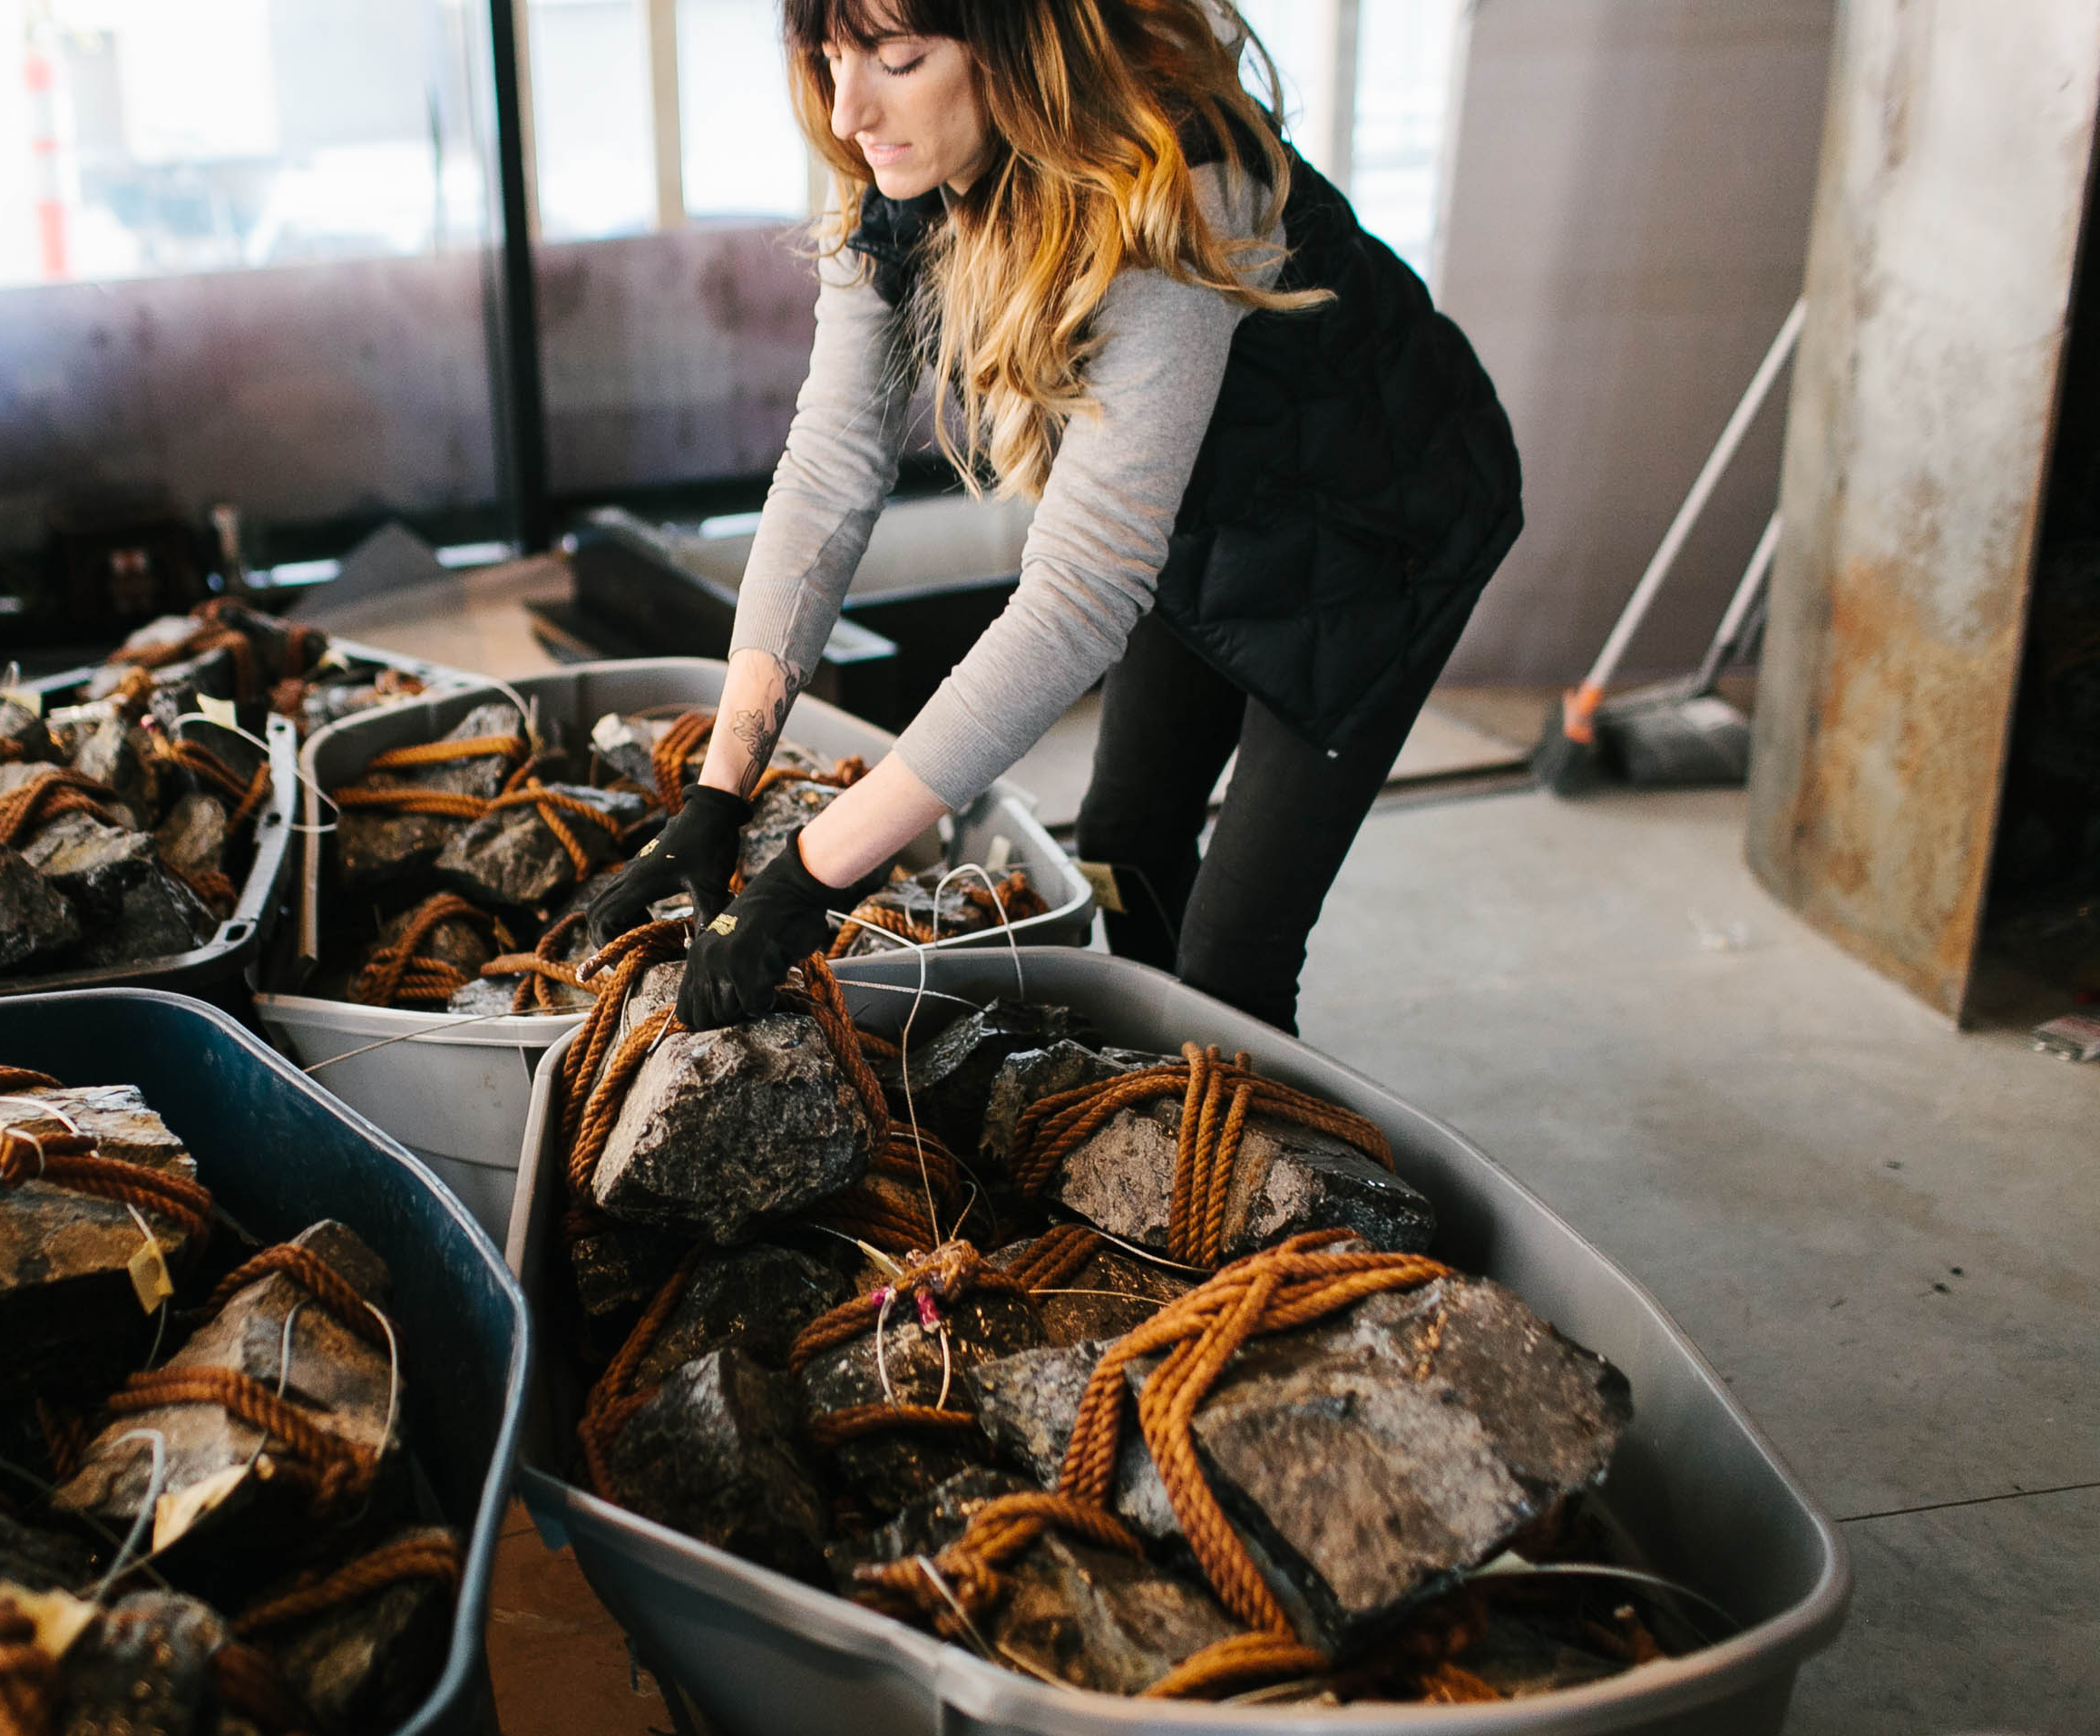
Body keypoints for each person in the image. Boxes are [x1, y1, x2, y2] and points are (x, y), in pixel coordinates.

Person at [586, 0, 1520, 1034]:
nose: (848, 110)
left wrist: (811, 875)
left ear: (1016, 46)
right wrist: (719, 792)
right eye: (829, 54)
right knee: (1123, 841)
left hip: (1377, 529)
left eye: (897, 57)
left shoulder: (1175, 185)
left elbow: (1080, 593)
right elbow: (827, 471)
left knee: (1231, 963)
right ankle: (1172, 1079)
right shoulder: (898, 169)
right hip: (1200, 517)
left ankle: (1236, 1127)